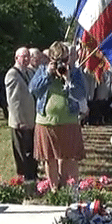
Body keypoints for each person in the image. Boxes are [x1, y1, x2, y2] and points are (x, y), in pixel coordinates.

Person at [29, 41, 86, 190]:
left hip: (69, 120)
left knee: (68, 157)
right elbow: (33, 89)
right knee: (49, 158)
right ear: (50, 60)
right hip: (46, 121)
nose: (62, 64)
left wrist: (68, 80)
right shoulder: (42, 70)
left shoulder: (75, 72)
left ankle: (67, 188)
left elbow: (81, 94)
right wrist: (48, 73)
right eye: (57, 61)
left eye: (65, 60)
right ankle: (54, 189)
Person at [5, 47, 38, 180]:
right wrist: (20, 121)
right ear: (16, 58)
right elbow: (13, 101)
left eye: (27, 56)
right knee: (21, 152)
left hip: (31, 119)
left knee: (31, 151)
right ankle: (24, 177)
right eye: (23, 56)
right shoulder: (12, 74)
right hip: (20, 121)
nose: (26, 59)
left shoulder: (29, 72)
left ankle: (32, 175)